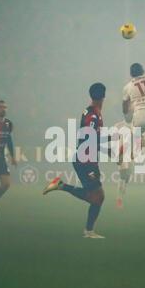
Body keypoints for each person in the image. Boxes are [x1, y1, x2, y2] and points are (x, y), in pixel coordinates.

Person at [43, 83, 107, 238]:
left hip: (86, 159)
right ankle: (88, 231)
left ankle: (61, 186)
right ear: (103, 97)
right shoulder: (93, 115)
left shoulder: (92, 111)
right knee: (98, 197)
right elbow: (90, 138)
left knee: (96, 196)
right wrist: (110, 149)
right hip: (86, 161)